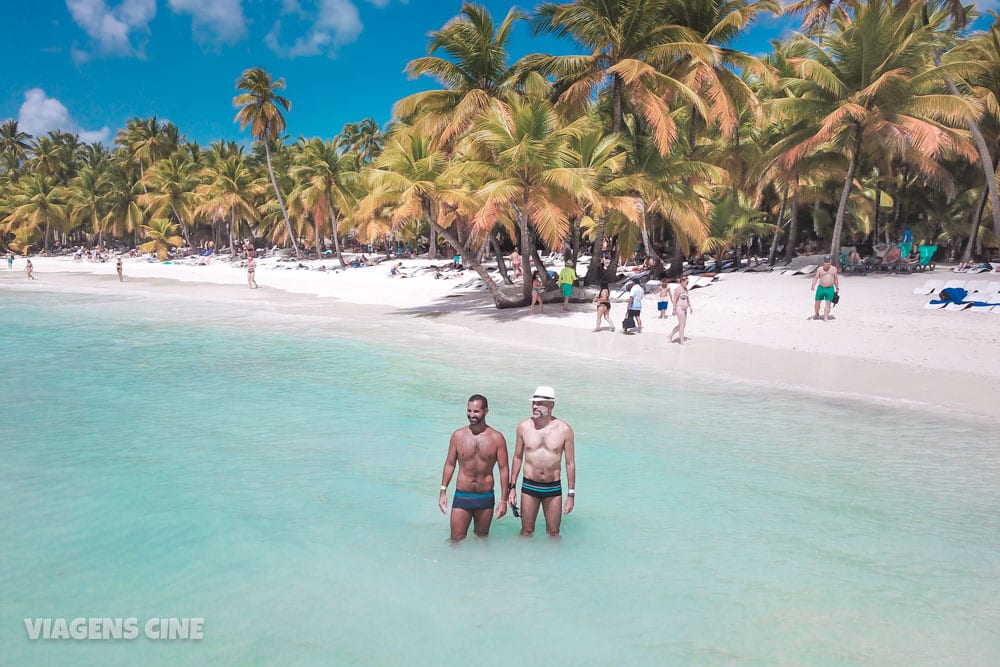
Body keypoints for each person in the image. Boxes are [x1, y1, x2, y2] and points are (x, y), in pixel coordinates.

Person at [439, 394, 510, 542]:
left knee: (482, 539)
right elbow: (450, 464)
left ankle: (480, 565)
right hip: (462, 495)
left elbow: (503, 469)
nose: (471, 415)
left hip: (485, 496)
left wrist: (504, 500)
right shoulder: (458, 436)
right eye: (469, 411)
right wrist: (443, 491)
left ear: (486, 411)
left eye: (476, 411)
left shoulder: (497, 438)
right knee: (455, 540)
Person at [508, 386, 575, 537]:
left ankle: (553, 560)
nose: (534, 406)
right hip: (529, 486)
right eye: (533, 403)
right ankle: (524, 560)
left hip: (553, 488)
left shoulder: (565, 430)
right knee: (526, 531)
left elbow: (570, 463)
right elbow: (517, 457)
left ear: (551, 405)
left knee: (553, 533)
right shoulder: (524, 427)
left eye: (539, 403)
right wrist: (511, 488)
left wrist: (571, 495)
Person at [810, 254, 839, 321]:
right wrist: (813, 285)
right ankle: (816, 313)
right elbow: (816, 278)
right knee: (817, 302)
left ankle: (826, 316)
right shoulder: (820, 269)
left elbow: (835, 279)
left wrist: (837, 288)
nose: (827, 264)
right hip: (821, 288)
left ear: (830, 261)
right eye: (826, 263)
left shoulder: (834, 269)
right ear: (824, 262)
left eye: (829, 263)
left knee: (828, 303)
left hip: (830, 288)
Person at [669, 276, 693, 344]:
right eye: (686, 282)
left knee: (683, 324)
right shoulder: (678, 289)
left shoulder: (686, 289)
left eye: (688, 282)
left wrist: (690, 306)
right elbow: (675, 300)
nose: (687, 283)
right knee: (682, 324)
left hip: (685, 308)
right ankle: (682, 341)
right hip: (679, 308)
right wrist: (673, 309)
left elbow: (688, 299)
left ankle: (670, 335)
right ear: (682, 281)